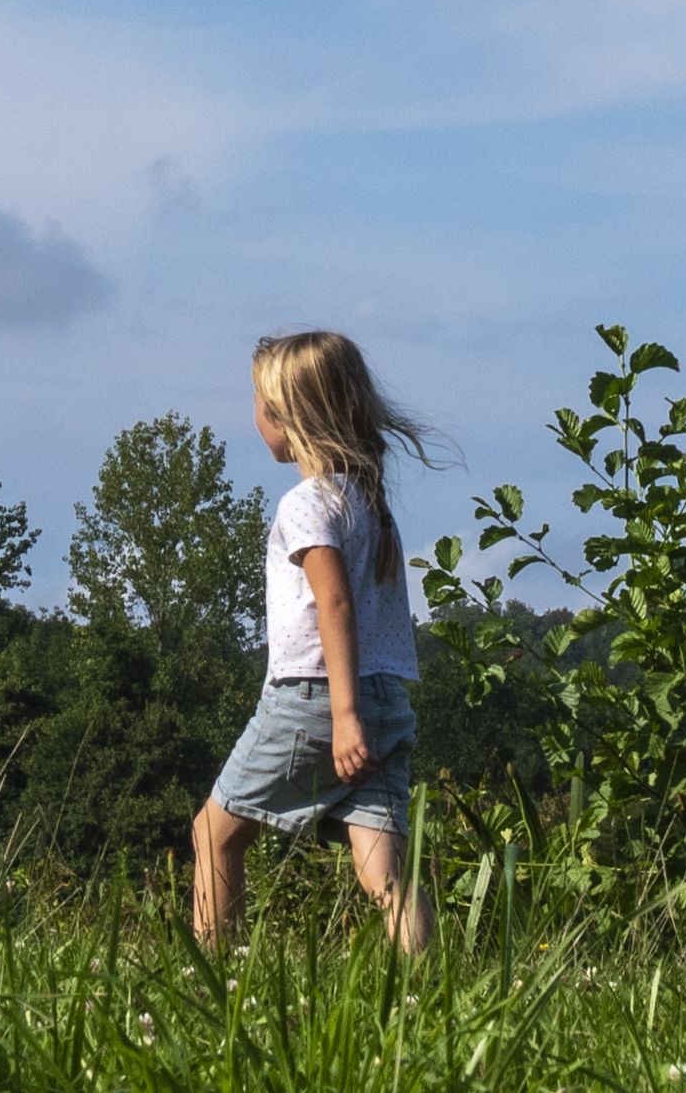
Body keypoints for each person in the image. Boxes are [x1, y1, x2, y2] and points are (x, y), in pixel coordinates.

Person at [190, 327, 434, 954]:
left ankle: (212, 979)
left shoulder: (306, 503)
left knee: (213, 834)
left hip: (316, 701)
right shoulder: (371, 504)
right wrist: (360, 714)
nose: (254, 415)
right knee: (385, 872)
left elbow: (336, 602)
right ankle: (427, 991)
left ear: (286, 417)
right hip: (385, 702)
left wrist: (343, 715)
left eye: (258, 401)